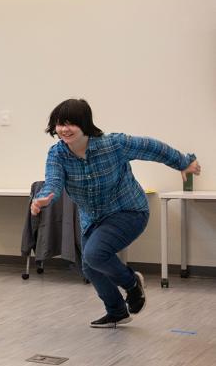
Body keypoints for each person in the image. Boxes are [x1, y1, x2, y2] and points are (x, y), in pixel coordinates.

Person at [31, 98, 200, 328]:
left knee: (94, 254)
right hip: (93, 219)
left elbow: (152, 148)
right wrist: (43, 197)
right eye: (60, 124)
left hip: (129, 210)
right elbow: (53, 181)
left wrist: (182, 162)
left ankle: (132, 284)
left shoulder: (113, 144)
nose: (64, 129)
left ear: (85, 124)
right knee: (89, 266)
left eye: (71, 123)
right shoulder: (58, 154)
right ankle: (117, 311)